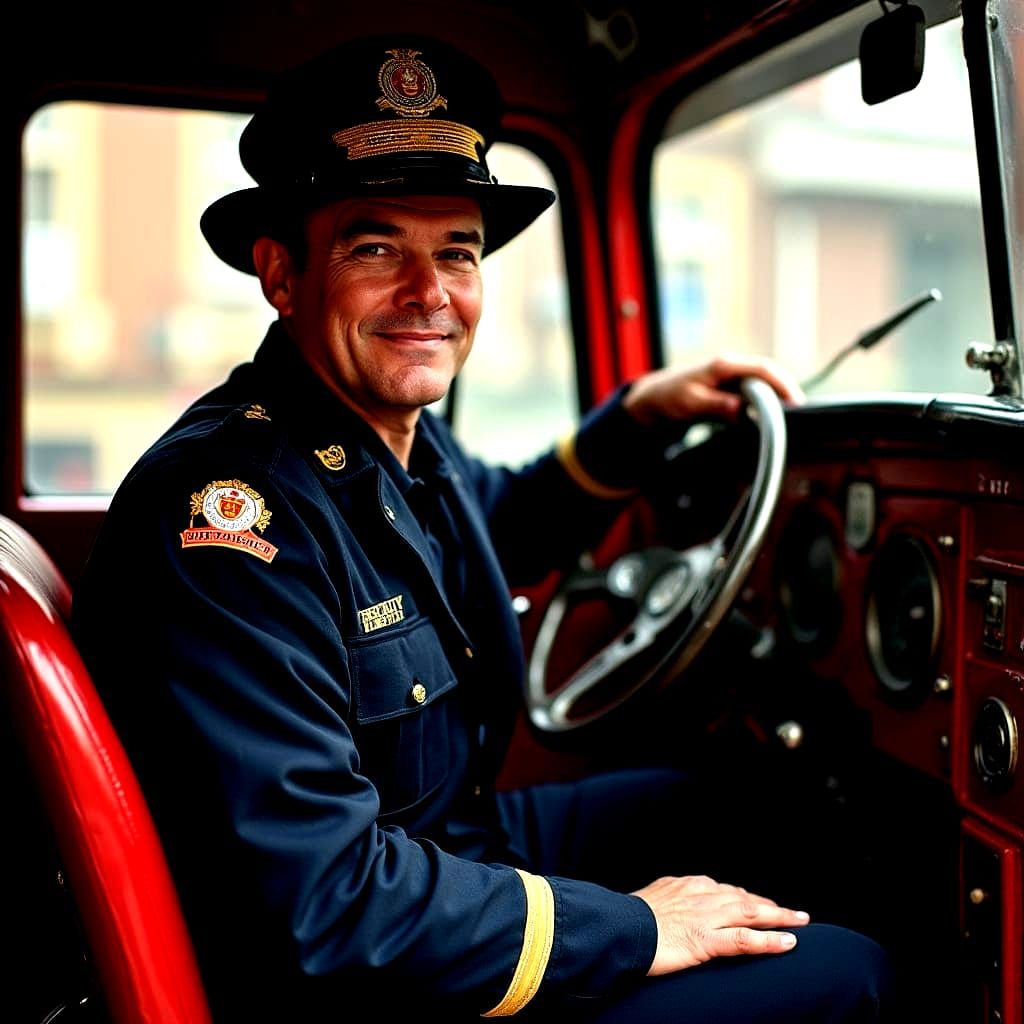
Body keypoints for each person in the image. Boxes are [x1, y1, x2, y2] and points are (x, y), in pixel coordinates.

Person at [71, 32, 894, 1023]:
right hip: (362, 971)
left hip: (447, 844)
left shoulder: (386, 437)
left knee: (748, 809)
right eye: (376, 248)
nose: (430, 294)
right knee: (849, 972)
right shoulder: (232, 520)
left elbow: (493, 527)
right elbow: (329, 905)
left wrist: (637, 419)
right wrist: (639, 927)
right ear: (282, 273)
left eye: (456, 252)